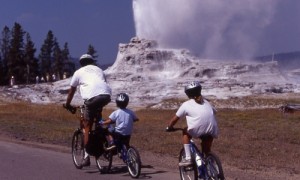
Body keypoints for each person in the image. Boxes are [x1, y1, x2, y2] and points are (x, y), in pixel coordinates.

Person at [64, 54, 112, 166]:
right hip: (106, 96)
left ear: (81, 63)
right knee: (98, 120)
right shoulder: (99, 70)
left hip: (91, 99)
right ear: (92, 62)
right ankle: (104, 139)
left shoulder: (79, 72)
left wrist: (67, 104)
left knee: (87, 125)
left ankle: (87, 154)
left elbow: (71, 91)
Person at [166, 81, 219, 167]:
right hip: (212, 129)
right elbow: (214, 111)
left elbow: (174, 119)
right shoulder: (206, 102)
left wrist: (169, 126)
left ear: (188, 94)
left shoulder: (186, 105)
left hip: (198, 130)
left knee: (185, 132)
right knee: (206, 151)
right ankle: (213, 169)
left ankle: (188, 158)